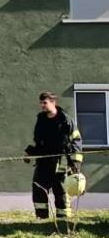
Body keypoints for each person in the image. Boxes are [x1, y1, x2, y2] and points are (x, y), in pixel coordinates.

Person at [25, 91, 83, 220]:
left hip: (61, 163)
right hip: (43, 162)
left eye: (44, 103)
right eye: (41, 103)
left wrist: (75, 163)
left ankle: (63, 219)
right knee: (39, 188)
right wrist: (29, 152)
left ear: (53, 102)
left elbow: (76, 141)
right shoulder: (41, 120)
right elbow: (39, 142)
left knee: (61, 191)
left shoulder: (65, 120)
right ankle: (42, 218)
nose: (42, 105)